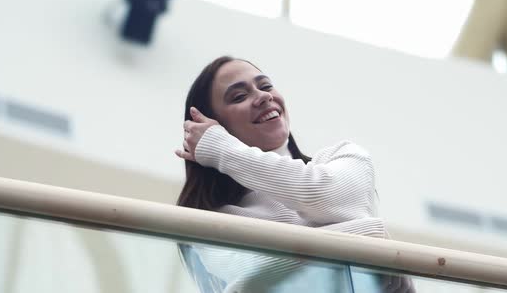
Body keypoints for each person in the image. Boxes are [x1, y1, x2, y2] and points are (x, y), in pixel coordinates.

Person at [175, 56, 415, 293]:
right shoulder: (209, 217)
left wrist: (223, 151)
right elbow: (250, 278)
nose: (263, 96)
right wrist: (370, 234)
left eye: (266, 85)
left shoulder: (344, 157)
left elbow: (319, 194)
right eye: (239, 96)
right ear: (215, 128)